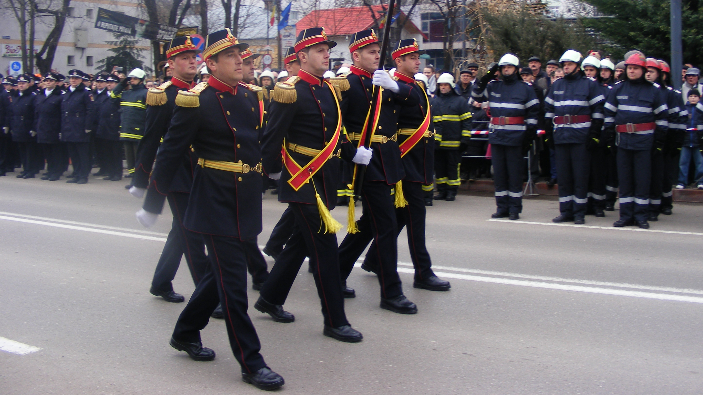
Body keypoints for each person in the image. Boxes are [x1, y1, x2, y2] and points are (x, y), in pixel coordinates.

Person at [136, 28, 284, 390]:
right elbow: (169, 152)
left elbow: (258, 144)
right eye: (231, 56)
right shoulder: (195, 101)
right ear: (211, 63)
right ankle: (252, 362)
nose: (240, 61)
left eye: (242, 56)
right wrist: (152, 203)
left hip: (245, 199)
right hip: (213, 201)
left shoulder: (250, 97)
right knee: (233, 285)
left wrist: (276, 171)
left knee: (218, 279)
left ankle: (186, 332)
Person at [257, 27, 366, 341]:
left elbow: (336, 133)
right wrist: (276, 172)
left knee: (298, 246)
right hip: (301, 180)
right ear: (302, 56)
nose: (326, 53)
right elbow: (271, 137)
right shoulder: (289, 90)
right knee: (325, 251)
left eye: (327, 48)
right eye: (319, 49)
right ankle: (335, 320)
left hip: (325, 178)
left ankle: (270, 297)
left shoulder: (329, 89)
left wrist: (353, 153)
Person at [336, 29, 419, 314]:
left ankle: (335, 273)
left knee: (371, 224)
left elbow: (419, 105)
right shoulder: (348, 83)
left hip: (388, 160)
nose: (376, 56)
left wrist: (396, 87)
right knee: (385, 226)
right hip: (367, 162)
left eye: (377, 51)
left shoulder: (384, 81)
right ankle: (390, 293)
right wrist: (351, 154)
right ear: (355, 55)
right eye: (370, 52)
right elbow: (335, 126)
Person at [360, 38, 450, 291]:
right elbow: (411, 102)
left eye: (417, 57)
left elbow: (421, 105)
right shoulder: (393, 85)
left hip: (420, 161)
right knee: (415, 219)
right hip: (406, 159)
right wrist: (394, 86)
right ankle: (423, 272)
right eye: (411, 57)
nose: (417, 60)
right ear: (398, 61)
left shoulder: (416, 83)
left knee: (400, 217)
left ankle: (373, 260)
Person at [128, 35, 212, 305]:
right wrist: (141, 180)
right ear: (171, 64)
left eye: (193, 57)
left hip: (199, 171)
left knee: (181, 230)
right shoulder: (162, 95)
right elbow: (150, 140)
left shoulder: (201, 91)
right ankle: (207, 295)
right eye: (185, 58)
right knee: (192, 233)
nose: (191, 61)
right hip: (175, 173)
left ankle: (161, 282)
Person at [604, 52, 668, 229]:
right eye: (629, 68)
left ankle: (641, 216)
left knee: (642, 180)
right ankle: (625, 216)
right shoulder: (618, 88)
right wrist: (609, 137)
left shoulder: (653, 90)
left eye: (635, 68)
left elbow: (662, 118)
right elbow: (609, 114)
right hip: (623, 142)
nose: (632, 71)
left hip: (644, 143)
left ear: (643, 70)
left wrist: (659, 142)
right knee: (624, 180)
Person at [473, 54, 539, 220]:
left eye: (509, 67)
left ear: (516, 69)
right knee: (500, 175)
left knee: (514, 175)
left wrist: (528, 136)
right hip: (497, 138)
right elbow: (475, 95)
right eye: (503, 67)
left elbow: (533, 113)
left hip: (515, 138)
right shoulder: (494, 86)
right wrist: (488, 74)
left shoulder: (525, 88)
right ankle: (502, 207)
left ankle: (515, 209)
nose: (506, 70)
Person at [545, 51, 605, 224]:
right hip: (561, 137)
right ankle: (566, 211)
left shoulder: (589, 85)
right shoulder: (557, 85)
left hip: (581, 138)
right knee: (564, 178)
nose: (566, 67)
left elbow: (598, 112)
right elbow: (548, 111)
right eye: (564, 65)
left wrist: (594, 135)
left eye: (569, 64)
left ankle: (579, 212)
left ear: (578, 66)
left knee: (580, 177)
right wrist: (549, 134)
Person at [431, 73, 472, 201]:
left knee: (452, 168)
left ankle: (452, 191)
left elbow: (467, 122)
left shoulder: (460, 101)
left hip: (454, 143)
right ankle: (442, 191)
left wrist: (465, 139)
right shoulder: (434, 101)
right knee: (440, 168)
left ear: (451, 86)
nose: (443, 87)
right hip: (439, 143)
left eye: (445, 85)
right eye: (441, 85)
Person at [112, 68, 147, 180]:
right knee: (129, 159)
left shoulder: (145, 94)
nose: (132, 80)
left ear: (141, 80)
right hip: (126, 131)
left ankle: (140, 179)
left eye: (135, 79)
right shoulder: (126, 93)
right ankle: (133, 179)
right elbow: (113, 96)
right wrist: (122, 83)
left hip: (139, 132)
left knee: (138, 158)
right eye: (131, 78)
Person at [61, 69, 94, 184]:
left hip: (80, 127)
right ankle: (76, 173)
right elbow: (63, 111)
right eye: (71, 78)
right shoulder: (67, 92)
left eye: (76, 79)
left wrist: (87, 126)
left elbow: (90, 111)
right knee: (73, 153)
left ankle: (83, 175)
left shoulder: (86, 93)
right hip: (68, 127)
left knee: (82, 154)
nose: (73, 80)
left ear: (81, 80)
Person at [34, 72, 65, 181]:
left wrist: (61, 129)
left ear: (56, 83)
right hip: (42, 126)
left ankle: (56, 172)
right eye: (46, 81)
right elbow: (36, 113)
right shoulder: (40, 95)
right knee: (47, 151)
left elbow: (62, 114)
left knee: (55, 152)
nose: (48, 82)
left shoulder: (59, 96)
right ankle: (50, 170)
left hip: (54, 127)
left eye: (51, 81)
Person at [92, 74, 122, 181]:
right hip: (104, 126)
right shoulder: (102, 95)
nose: (109, 84)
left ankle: (117, 173)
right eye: (108, 82)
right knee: (107, 152)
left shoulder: (121, 96)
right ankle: (110, 172)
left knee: (116, 152)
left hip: (115, 127)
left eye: (112, 82)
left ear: (117, 84)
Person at [8, 74, 39, 179]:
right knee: (22, 150)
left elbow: (36, 114)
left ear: (28, 85)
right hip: (17, 127)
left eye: (23, 83)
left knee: (30, 151)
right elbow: (12, 113)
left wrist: (34, 128)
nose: (21, 85)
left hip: (28, 126)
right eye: (19, 83)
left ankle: (30, 170)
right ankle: (25, 169)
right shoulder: (15, 96)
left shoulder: (32, 96)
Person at [678, 89, 703, 189]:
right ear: (688, 98)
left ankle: (700, 181)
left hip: (698, 141)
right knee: (683, 162)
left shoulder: (700, 110)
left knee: (700, 163)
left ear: (699, 98)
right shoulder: (684, 109)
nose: (693, 98)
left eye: (695, 96)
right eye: (691, 96)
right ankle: (682, 182)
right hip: (686, 140)